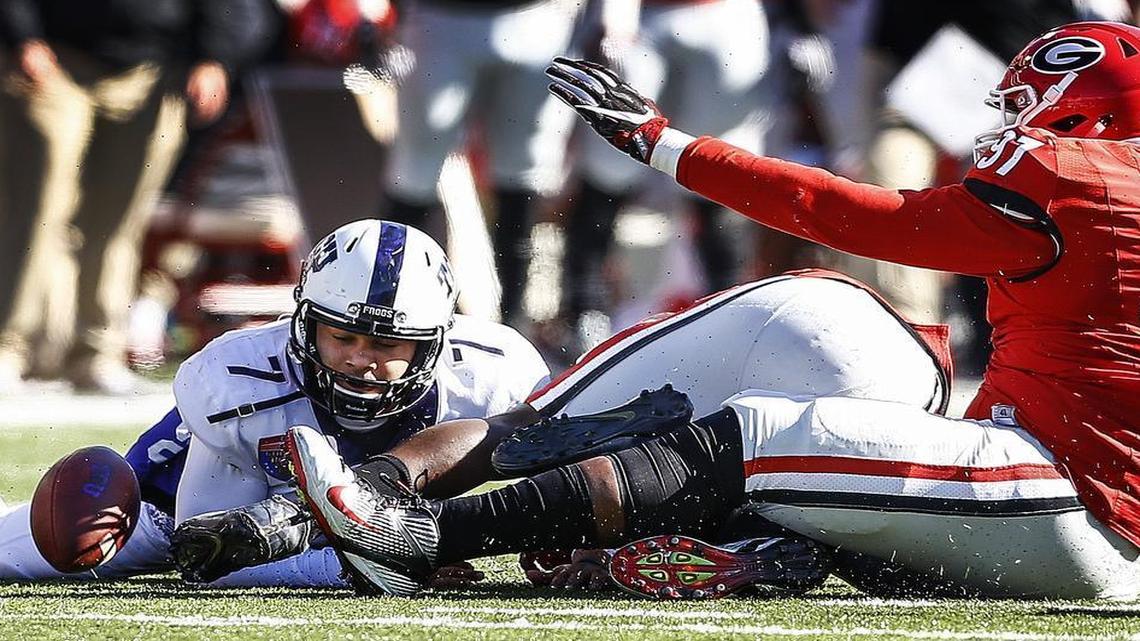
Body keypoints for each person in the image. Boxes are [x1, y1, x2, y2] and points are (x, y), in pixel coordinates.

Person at [283, 21, 1140, 600]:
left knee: (769, 430)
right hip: (1067, 507)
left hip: (1069, 502)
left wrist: (671, 146)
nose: (1014, 128)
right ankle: (755, 551)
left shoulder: (1085, 181)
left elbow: (848, 214)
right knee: (818, 444)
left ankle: (423, 537)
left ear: (1084, 109)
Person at [214, 268, 947, 595]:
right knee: (820, 511)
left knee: (553, 430)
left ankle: (394, 519)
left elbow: (521, 432)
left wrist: (349, 489)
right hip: (913, 389)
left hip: (807, 311)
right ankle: (764, 548)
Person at [0, 219, 549, 586]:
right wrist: (357, 566)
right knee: (44, 550)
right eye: (343, 336)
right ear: (304, 325)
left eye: (385, 343)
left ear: (435, 341)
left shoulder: (494, 374)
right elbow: (213, 550)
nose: (360, 359)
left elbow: (573, 460)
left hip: (310, 512)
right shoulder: (237, 381)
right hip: (165, 511)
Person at [0, 0, 272, 394]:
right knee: (38, 212)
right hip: (54, 59)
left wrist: (216, 57)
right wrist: (22, 36)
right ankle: (11, 348)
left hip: (151, 71)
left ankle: (96, 353)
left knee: (119, 220)